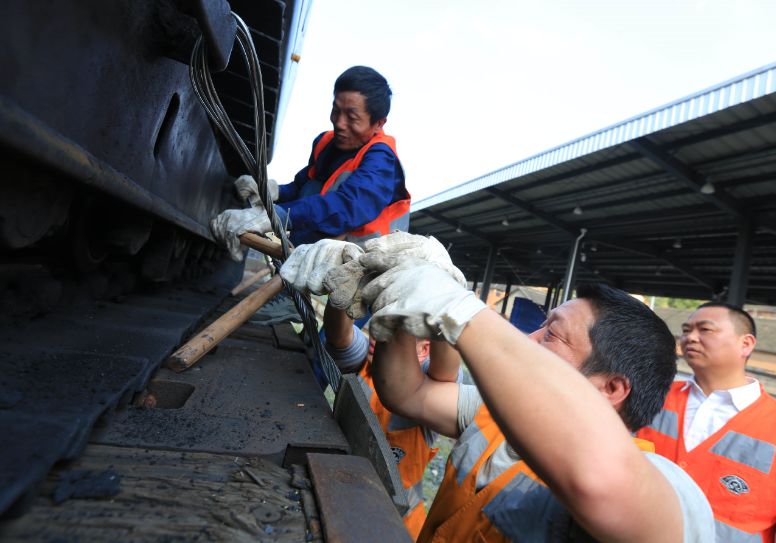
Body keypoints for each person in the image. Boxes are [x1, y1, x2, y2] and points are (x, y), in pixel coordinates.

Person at [284, 233, 715, 542]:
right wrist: (403, 311)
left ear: (610, 388)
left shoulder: (673, 492)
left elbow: (600, 481)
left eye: (552, 335)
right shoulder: (490, 412)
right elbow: (406, 393)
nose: (528, 338)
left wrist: (456, 307)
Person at [636, 302, 776, 542]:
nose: (689, 337)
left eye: (705, 330)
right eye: (686, 329)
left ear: (746, 344)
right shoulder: (652, 394)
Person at [210, 65, 410, 258]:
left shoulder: (383, 160)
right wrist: (271, 192)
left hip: (359, 258)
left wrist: (277, 216)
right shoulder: (325, 142)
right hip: (315, 245)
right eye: (336, 110)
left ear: (378, 123)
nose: (339, 123)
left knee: (328, 210)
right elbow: (303, 187)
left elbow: (348, 206)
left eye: (352, 117)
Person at [322, 306, 462, 539]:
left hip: (397, 521)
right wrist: (341, 303)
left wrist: (443, 315)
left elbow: (445, 371)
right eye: (379, 326)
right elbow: (339, 336)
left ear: (425, 349)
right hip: (341, 493)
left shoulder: (430, 389)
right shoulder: (365, 362)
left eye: (396, 333)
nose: (380, 337)